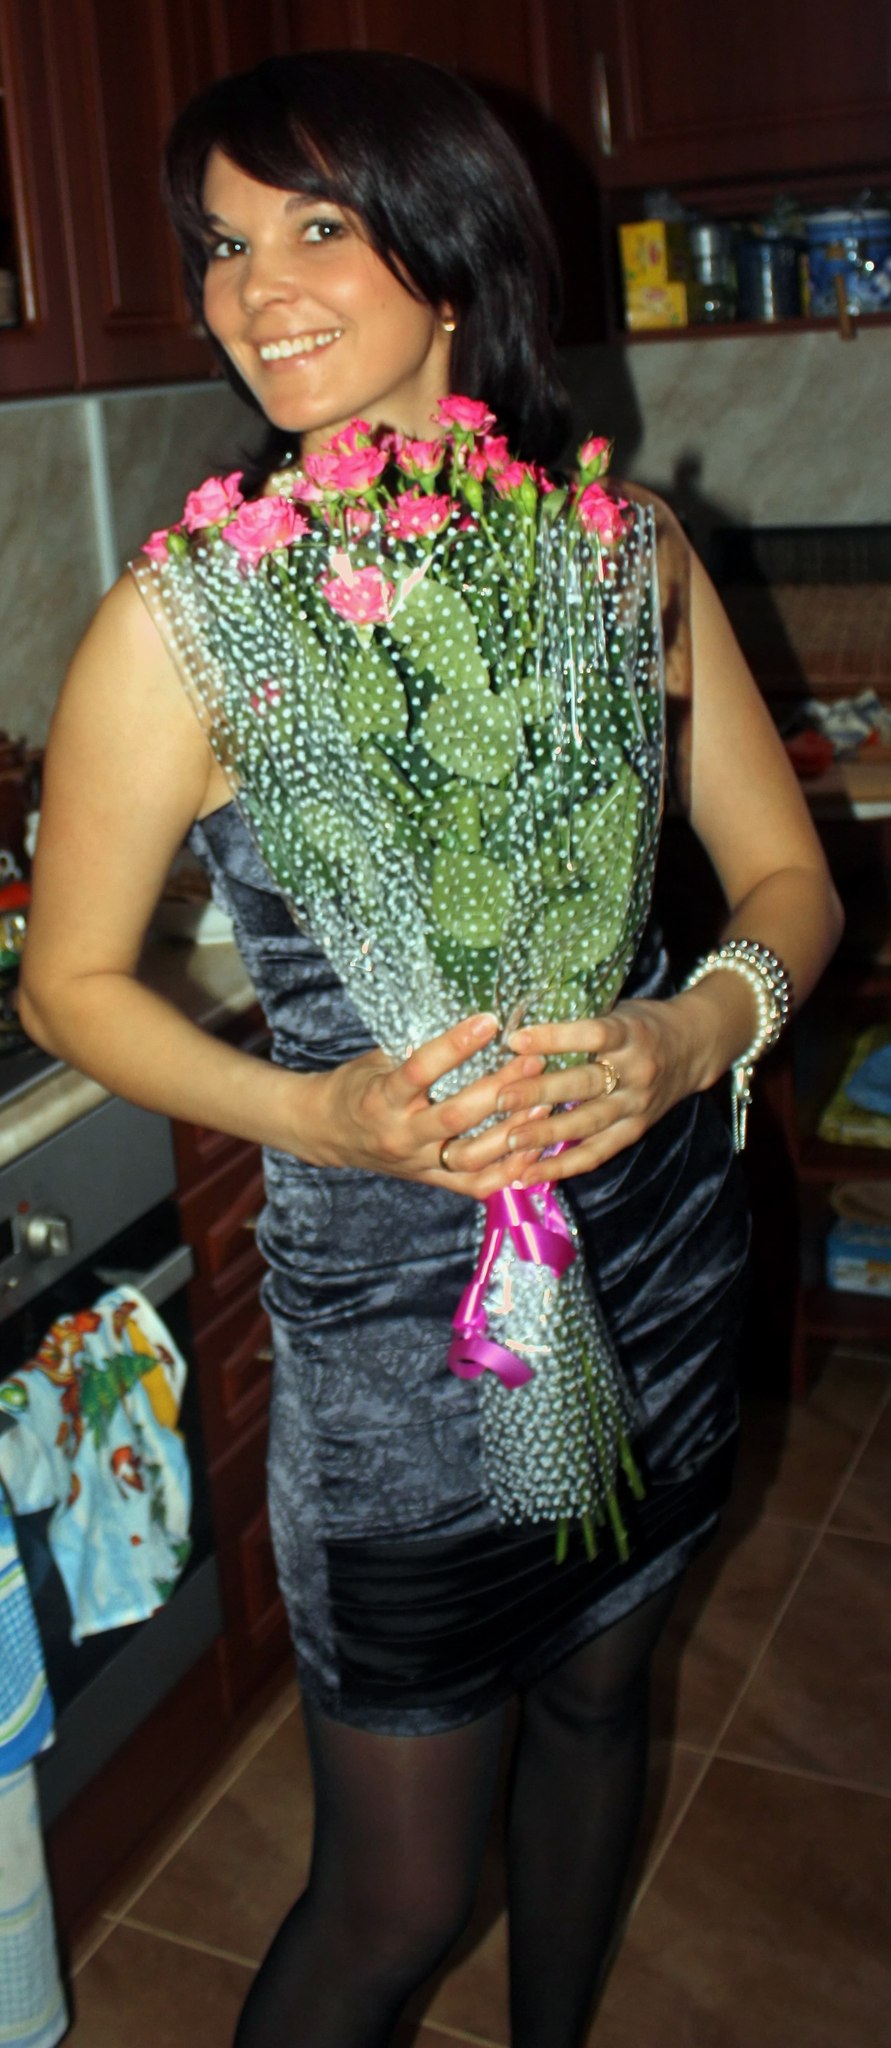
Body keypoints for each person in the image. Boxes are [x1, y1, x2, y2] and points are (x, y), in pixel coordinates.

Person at [20, 49, 842, 2048]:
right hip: (402, 1339)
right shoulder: (186, 621)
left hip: (652, 1255)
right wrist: (314, 1109)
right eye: (221, 244)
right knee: (389, 1900)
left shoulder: (621, 553)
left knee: (604, 1699)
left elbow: (786, 883)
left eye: (314, 226)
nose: (252, 290)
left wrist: (684, 1033)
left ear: (451, 259)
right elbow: (71, 987)